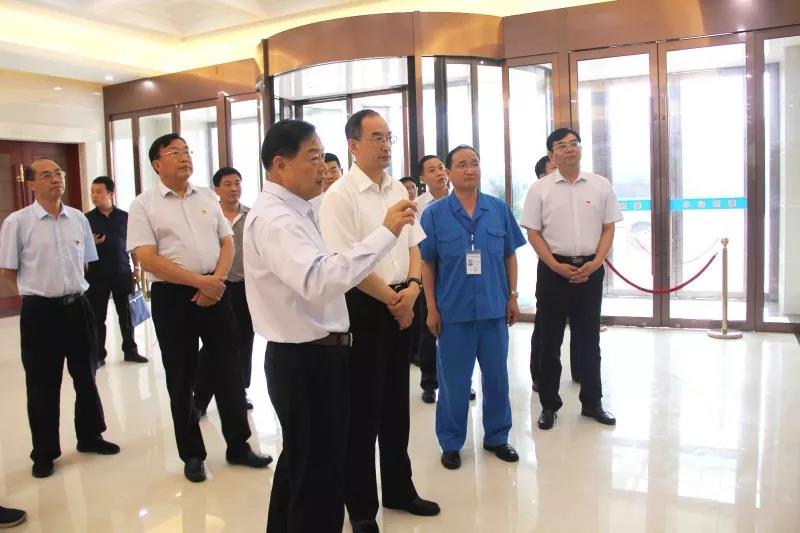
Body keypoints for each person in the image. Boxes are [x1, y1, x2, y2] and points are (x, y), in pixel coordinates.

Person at [244, 119, 418, 533]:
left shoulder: (301, 209)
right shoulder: (277, 220)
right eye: (313, 157)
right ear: (280, 165)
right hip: (304, 359)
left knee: (301, 468)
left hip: (317, 355)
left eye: (323, 156)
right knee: (318, 480)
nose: (323, 167)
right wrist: (385, 232)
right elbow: (319, 280)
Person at [320, 109, 440, 533]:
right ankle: (361, 507)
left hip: (403, 299)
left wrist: (413, 288)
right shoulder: (339, 196)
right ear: (353, 145)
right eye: (376, 137)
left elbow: (413, 244)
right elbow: (346, 263)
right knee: (363, 411)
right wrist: (393, 299)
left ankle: (399, 490)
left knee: (395, 406)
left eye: (388, 137)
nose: (386, 144)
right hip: (365, 307)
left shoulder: (397, 190)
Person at [127, 133, 271, 482]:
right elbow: (146, 257)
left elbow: (227, 241)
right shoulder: (144, 205)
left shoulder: (206, 196)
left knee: (230, 369)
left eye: (186, 151)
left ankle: (239, 445)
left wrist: (215, 281)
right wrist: (198, 282)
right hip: (173, 297)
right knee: (181, 376)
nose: (184, 157)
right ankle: (192, 453)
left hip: (215, 291)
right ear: (157, 164)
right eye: (175, 153)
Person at [0, 159, 120, 478]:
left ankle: (90, 436)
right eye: (46, 175)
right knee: (43, 384)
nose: (55, 179)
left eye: (58, 174)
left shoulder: (78, 219)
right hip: (40, 313)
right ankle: (44, 452)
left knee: (86, 375)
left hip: (78, 307)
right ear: (31, 184)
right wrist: (32, 295)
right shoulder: (17, 222)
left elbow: (87, 263)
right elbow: (8, 271)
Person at [420, 145, 525, 470]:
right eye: (462, 164)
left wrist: (512, 296)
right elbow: (427, 264)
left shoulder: (497, 208)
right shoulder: (434, 214)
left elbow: (510, 254)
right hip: (453, 313)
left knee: (497, 378)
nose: (470, 170)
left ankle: (497, 437)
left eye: (475, 163)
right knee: (454, 383)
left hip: (493, 309)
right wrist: (431, 307)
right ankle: (451, 442)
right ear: (449, 172)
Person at [520, 128, 622, 430]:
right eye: (561, 145)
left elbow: (609, 228)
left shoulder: (600, 185)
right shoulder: (539, 189)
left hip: (590, 269)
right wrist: (554, 265)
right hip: (553, 271)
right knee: (550, 340)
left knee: (589, 338)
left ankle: (592, 402)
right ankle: (549, 405)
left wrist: (596, 262)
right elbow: (533, 233)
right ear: (551, 154)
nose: (569, 149)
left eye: (574, 143)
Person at [413, 155, 476, 404]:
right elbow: (415, 245)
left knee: (462, 330)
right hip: (429, 271)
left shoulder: (462, 199)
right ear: (422, 178)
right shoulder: (418, 207)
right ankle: (429, 383)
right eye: (432, 170)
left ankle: (464, 382)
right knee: (429, 330)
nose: (439, 173)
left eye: (441, 168)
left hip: (458, 273)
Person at [194, 167, 255, 415]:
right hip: (218, 286)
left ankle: (240, 391)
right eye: (228, 184)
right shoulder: (209, 215)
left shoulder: (252, 216)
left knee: (245, 341)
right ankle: (200, 398)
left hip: (247, 288)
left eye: (237, 183)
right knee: (215, 344)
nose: (234, 188)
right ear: (216, 189)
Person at [84, 176, 147, 367]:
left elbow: (134, 245)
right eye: (92, 192)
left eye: (99, 192)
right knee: (97, 317)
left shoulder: (125, 217)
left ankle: (130, 350)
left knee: (126, 314)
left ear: (110, 194)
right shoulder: (86, 219)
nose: (94, 195)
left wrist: (137, 268)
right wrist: (92, 243)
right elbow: (78, 247)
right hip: (96, 275)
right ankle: (98, 355)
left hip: (121, 272)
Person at [310, 153, 344, 225]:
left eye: (333, 171)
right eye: (325, 172)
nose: (329, 176)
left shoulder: (352, 195)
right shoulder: (311, 205)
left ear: (342, 171)